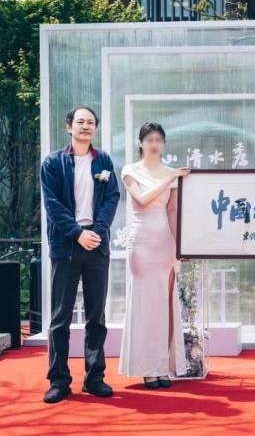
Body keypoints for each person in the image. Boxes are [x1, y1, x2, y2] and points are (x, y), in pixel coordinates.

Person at [40, 106, 120, 403]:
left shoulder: (104, 161)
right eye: (80, 122)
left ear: (95, 129)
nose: (85, 126)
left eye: (90, 123)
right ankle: (59, 380)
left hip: (96, 244)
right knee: (60, 316)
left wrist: (96, 231)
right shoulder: (53, 162)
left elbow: (112, 197)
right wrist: (77, 233)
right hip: (66, 246)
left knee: (96, 315)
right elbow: (52, 204)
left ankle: (94, 377)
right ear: (69, 127)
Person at [118, 122, 191, 389]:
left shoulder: (171, 173)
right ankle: (145, 368)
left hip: (164, 244)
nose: (154, 144)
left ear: (163, 143)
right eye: (149, 139)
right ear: (141, 143)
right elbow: (142, 199)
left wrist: (179, 245)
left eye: (159, 140)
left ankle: (162, 367)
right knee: (144, 305)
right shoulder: (130, 170)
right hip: (141, 243)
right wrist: (169, 179)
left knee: (163, 306)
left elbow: (172, 211)